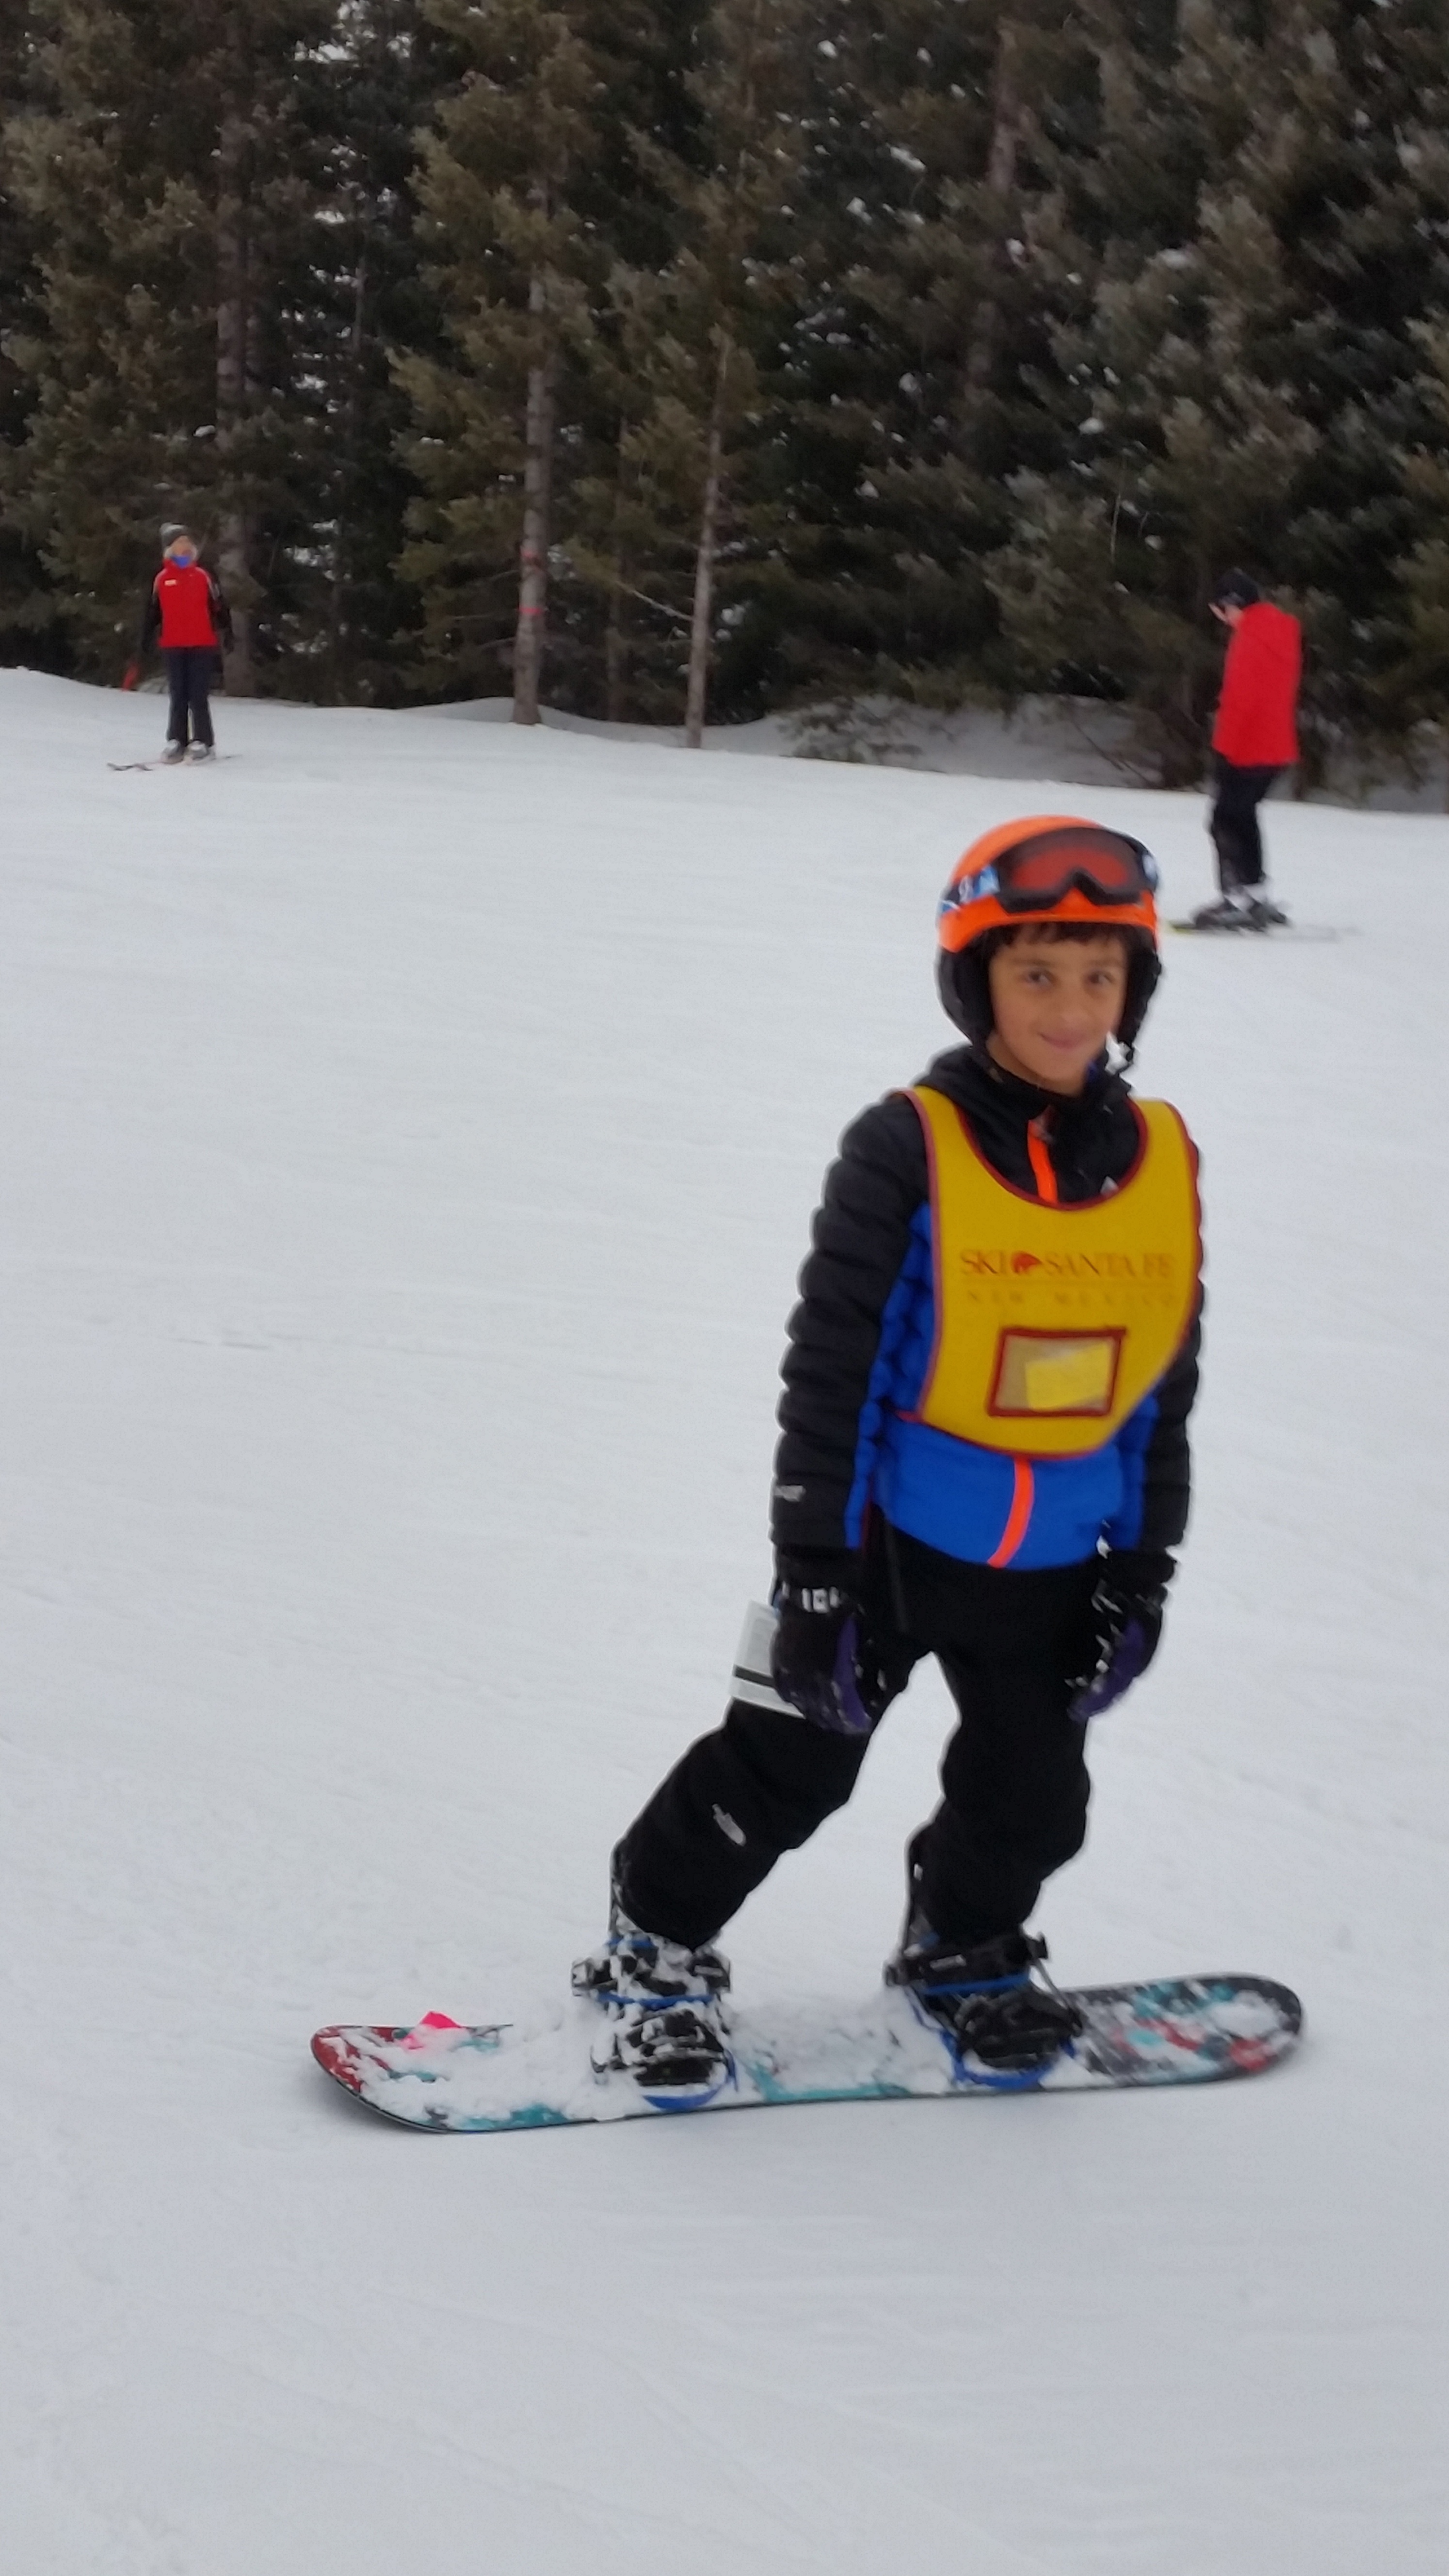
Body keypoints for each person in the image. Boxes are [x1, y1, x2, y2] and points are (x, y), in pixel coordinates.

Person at [574, 816, 1204, 2102]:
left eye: (1100, 975)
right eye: (1036, 973)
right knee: (784, 1769)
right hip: (885, 1552)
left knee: (1034, 1798)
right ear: (977, 982)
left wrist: (1142, 1571)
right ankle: (655, 1940)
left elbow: (1163, 1389)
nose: (1070, 1008)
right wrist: (815, 1573)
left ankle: (960, 1949)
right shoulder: (908, 1145)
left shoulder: (1159, 1162)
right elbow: (833, 1371)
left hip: (1056, 1563)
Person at [1193, 570, 1302, 931]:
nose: (1221, 619)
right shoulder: (1280, 631)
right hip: (1275, 746)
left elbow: (1242, 699)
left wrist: (1224, 748)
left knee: (1224, 819)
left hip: (1247, 747)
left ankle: (1236, 899)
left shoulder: (1250, 638)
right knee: (1243, 816)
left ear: (1232, 605)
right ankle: (1256, 895)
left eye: (1220, 611)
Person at [128, 526, 233, 763]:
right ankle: (177, 740)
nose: (184, 546)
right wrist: (144, 641)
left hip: (202, 644)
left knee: (198, 695)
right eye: (179, 542)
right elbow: (152, 613)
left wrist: (228, 632)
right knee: (178, 695)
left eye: (187, 541)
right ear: (170, 548)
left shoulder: (204, 576)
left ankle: (204, 741)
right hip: (173, 645)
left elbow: (219, 606)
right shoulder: (161, 579)